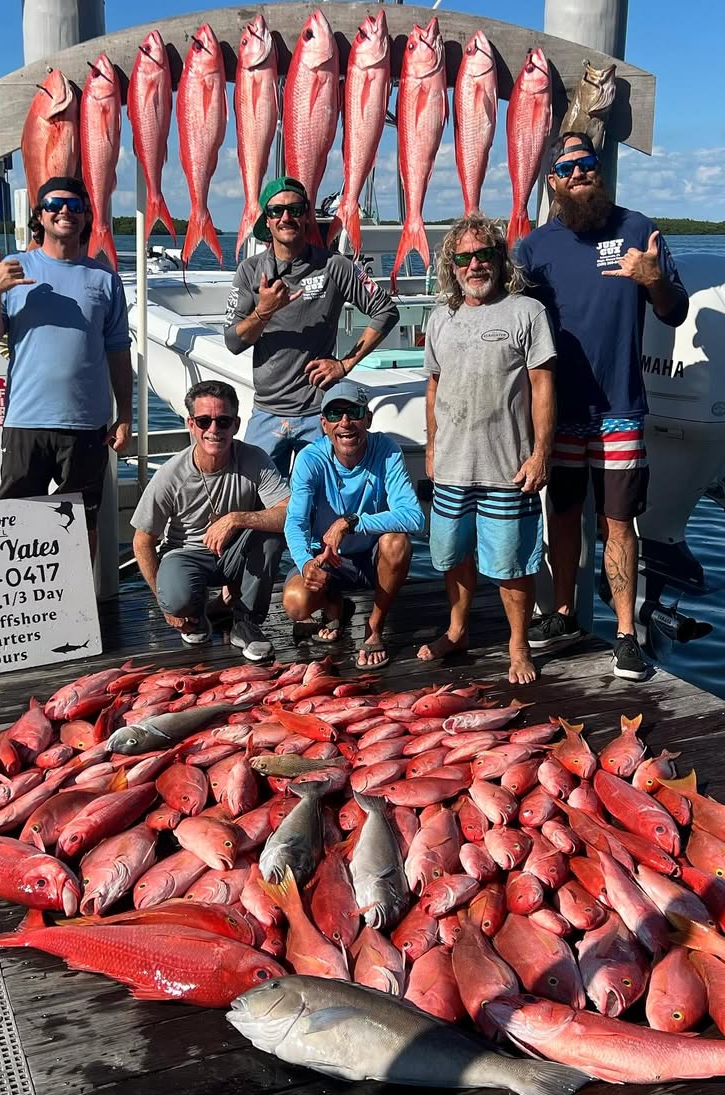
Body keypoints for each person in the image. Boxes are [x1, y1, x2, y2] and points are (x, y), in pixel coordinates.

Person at [515, 132, 689, 680]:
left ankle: (625, 634)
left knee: (618, 522)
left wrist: (654, 281)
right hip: (559, 410)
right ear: (552, 181)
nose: (579, 173)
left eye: (587, 162)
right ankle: (564, 613)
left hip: (620, 407)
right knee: (563, 515)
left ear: (600, 168)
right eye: (567, 168)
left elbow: (675, 312)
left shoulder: (637, 230)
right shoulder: (534, 248)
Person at [417, 213, 556, 686]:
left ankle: (518, 644)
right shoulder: (441, 317)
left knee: (512, 562)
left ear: (499, 259)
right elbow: (434, 387)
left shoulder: (527, 312)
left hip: (507, 466)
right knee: (453, 555)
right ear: (451, 266)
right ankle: (457, 631)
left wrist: (540, 453)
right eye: (464, 258)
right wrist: (432, 447)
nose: (474, 265)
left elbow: (543, 385)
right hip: (452, 463)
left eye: (483, 255)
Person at [0, 176, 132, 558]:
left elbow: (118, 351)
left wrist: (125, 415)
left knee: (82, 523)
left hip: (86, 425)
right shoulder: (13, 268)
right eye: (55, 205)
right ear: (40, 216)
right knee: (15, 521)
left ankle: (81, 594)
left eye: (75, 206)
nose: (65, 212)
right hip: (26, 420)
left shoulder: (105, 278)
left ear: (86, 216)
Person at [223, 176, 399, 477]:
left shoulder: (335, 266)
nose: (286, 217)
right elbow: (233, 342)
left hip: (320, 414)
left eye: (295, 209)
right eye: (277, 211)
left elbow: (386, 310)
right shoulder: (250, 270)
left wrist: (345, 364)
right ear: (267, 220)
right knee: (256, 496)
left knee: (324, 498)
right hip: (267, 412)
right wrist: (264, 311)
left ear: (307, 216)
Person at [131, 380, 289, 661]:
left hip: (234, 552)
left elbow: (289, 511)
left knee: (271, 535)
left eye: (223, 421)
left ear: (236, 425)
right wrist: (163, 602)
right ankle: (194, 613)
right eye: (204, 421)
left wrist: (236, 519)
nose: (214, 429)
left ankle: (246, 623)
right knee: (176, 600)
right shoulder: (170, 475)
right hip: (187, 554)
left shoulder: (255, 458)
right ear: (191, 425)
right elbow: (142, 540)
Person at [283, 380, 423, 669]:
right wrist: (306, 563)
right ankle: (334, 604)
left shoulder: (387, 449)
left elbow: (414, 516)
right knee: (296, 604)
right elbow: (295, 522)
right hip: (326, 558)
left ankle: (374, 628)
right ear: (324, 424)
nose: (345, 422)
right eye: (335, 414)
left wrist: (351, 522)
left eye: (354, 412)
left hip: (371, 557)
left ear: (368, 418)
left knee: (397, 542)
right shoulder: (309, 458)